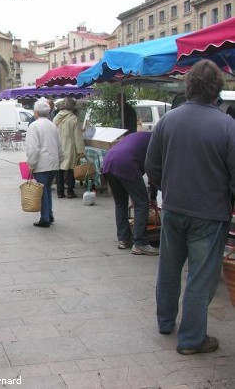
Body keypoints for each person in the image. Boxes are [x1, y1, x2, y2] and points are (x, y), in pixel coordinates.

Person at [145, 59, 235, 355]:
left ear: (189, 86)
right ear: (216, 89)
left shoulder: (168, 120)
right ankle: (192, 339)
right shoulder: (227, 126)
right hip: (209, 214)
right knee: (200, 276)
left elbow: (151, 166)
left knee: (169, 269)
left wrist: (167, 187)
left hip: (173, 208)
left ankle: (165, 321)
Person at [102, 131, 158, 255]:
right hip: (126, 163)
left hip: (108, 161)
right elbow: (154, 171)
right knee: (142, 203)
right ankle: (140, 243)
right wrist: (153, 197)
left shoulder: (141, 136)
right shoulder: (156, 142)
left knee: (121, 202)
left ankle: (123, 239)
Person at [25, 99, 62, 227]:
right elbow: (59, 146)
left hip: (42, 164)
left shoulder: (34, 126)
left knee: (42, 191)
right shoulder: (52, 125)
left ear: (36, 112)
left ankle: (45, 217)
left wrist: (31, 164)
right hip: (53, 163)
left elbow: (33, 148)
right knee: (46, 190)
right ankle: (49, 214)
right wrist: (59, 160)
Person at [53, 97, 85, 199]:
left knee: (59, 170)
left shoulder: (56, 118)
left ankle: (60, 192)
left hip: (57, 147)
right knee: (71, 169)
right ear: (72, 106)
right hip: (70, 147)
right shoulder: (73, 119)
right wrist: (81, 150)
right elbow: (78, 136)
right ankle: (70, 192)